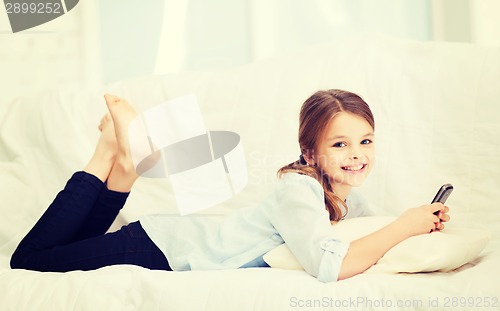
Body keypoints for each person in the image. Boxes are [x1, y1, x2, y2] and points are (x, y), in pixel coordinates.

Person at [10, 90, 449, 282]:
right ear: (311, 155)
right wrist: (405, 225)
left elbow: (371, 242)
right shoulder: (301, 189)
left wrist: (420, 223)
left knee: (70, 248)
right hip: (158, 249)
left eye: (365, 141)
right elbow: (329, 265)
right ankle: (105, 155)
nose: (357, 154)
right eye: (340, 144)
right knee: (27, 262)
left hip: (170, 243)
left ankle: (123, 169)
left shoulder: (349, 198)